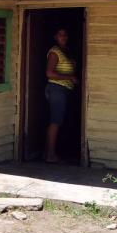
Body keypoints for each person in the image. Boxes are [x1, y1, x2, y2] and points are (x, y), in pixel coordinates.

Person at [45, 28, 77, 163]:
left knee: (59, 120)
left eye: (65, 35)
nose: (63, 37)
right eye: (60, 35)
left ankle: (47, 153)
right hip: (57, 89)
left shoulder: (66, 51)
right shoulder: (54, 52)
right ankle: (50, 155)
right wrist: (69, 77)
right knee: (55, 121)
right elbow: (49, 73)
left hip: (64, 89)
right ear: (55, 37)